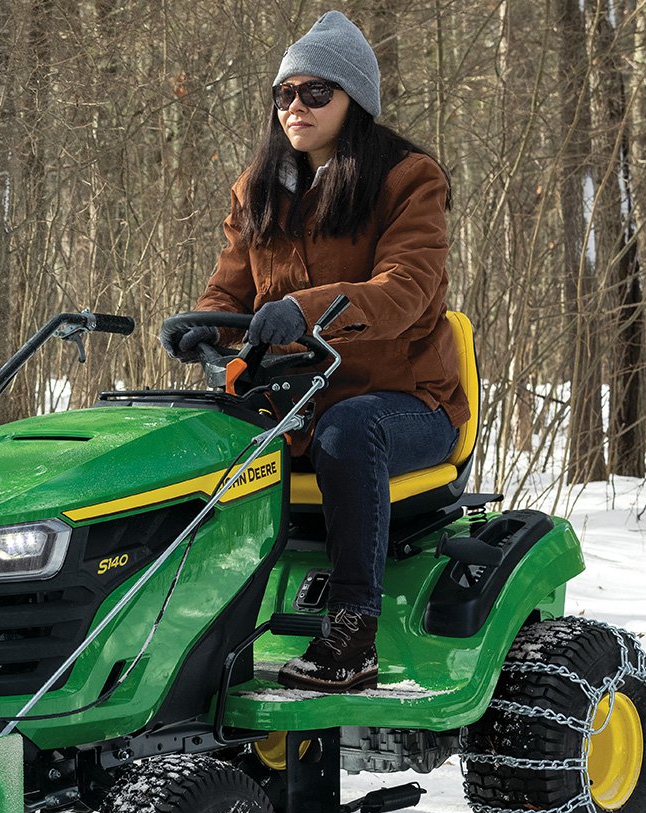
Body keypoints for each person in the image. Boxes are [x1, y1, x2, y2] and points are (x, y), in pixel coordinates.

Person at [159, 11, 467, 693]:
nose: (295, 107)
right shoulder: (259, 189)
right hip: (295, 403)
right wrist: (203, 326)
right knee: (191, 436)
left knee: (349, 428)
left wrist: (303, 311)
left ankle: (353, 630)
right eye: (284, 94)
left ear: (353, 99)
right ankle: (180, 631)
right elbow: (230, 291)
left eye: (315, 92)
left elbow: (408, 290)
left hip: (406, 404)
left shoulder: (406, 179)